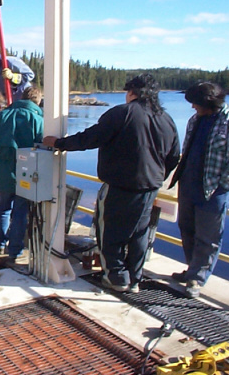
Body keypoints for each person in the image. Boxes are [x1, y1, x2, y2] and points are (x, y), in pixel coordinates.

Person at [43, 74, 180, 293]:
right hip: (150, 188)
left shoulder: (122, 113)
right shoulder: (166, 119)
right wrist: (157, 177)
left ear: (132, 92)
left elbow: (90, 138)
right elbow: (174, 156)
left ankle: (116, 277)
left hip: (120, 186)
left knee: (110, 232)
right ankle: (135, 279)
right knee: (139, 233)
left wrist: (59, 143)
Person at [168, 81, 229, 298]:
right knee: (186, 228)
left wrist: (225, 185)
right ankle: (192, 269)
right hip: (188, 184)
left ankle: (197, 279)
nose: (192, 108)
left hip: (213, 189)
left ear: (209, 102)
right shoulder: (195, 120)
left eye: (195, 103)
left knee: (208, 237)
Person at [0, 87, 44, 262]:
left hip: (2, 171)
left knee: (3, 208)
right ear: (37, 102)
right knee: (20, 212)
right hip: (28, 173)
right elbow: (43, 148)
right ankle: (14, 251)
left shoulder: (1, 117)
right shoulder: (38, 120)